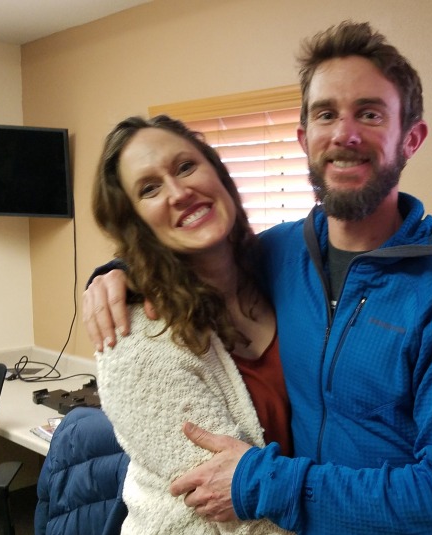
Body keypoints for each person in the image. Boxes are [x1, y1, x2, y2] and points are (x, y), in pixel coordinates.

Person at [85, 21, 432, 535]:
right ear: (303, 136)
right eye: (326, 114)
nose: (344, 134)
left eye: (370, 114)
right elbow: (191, 248)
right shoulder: (281, 254)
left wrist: (266, 482)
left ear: (411, 138)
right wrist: (117, 272)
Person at [90, 115, 292, 534]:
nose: (179, 192)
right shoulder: (137, 341)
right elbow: (238, 510)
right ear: (135, 222)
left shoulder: (286, 274)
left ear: (218, 173)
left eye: (186, 167)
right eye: (149, 188)